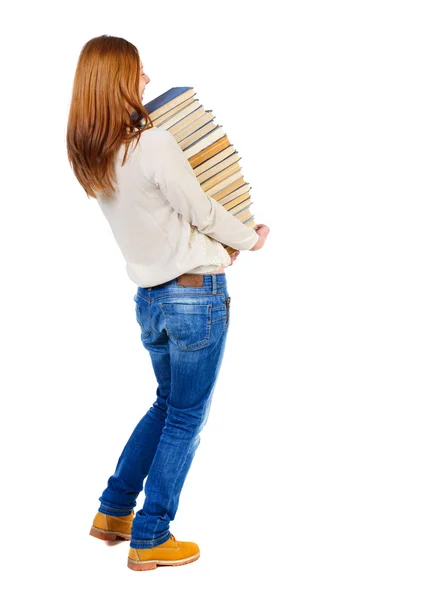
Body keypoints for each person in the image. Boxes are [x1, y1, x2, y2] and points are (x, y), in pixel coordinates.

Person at [66, 34, 270, 572]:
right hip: (194, 297)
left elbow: (161, 220)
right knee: (186, 417)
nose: (147, 82)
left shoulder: (93, 154)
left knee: (166, 405)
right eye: (138, 73)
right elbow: (199, 209)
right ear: (116, 81)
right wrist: (249, 238)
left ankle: (114, 511)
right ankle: (151, 535)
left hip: (150, 301)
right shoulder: (151, 144)